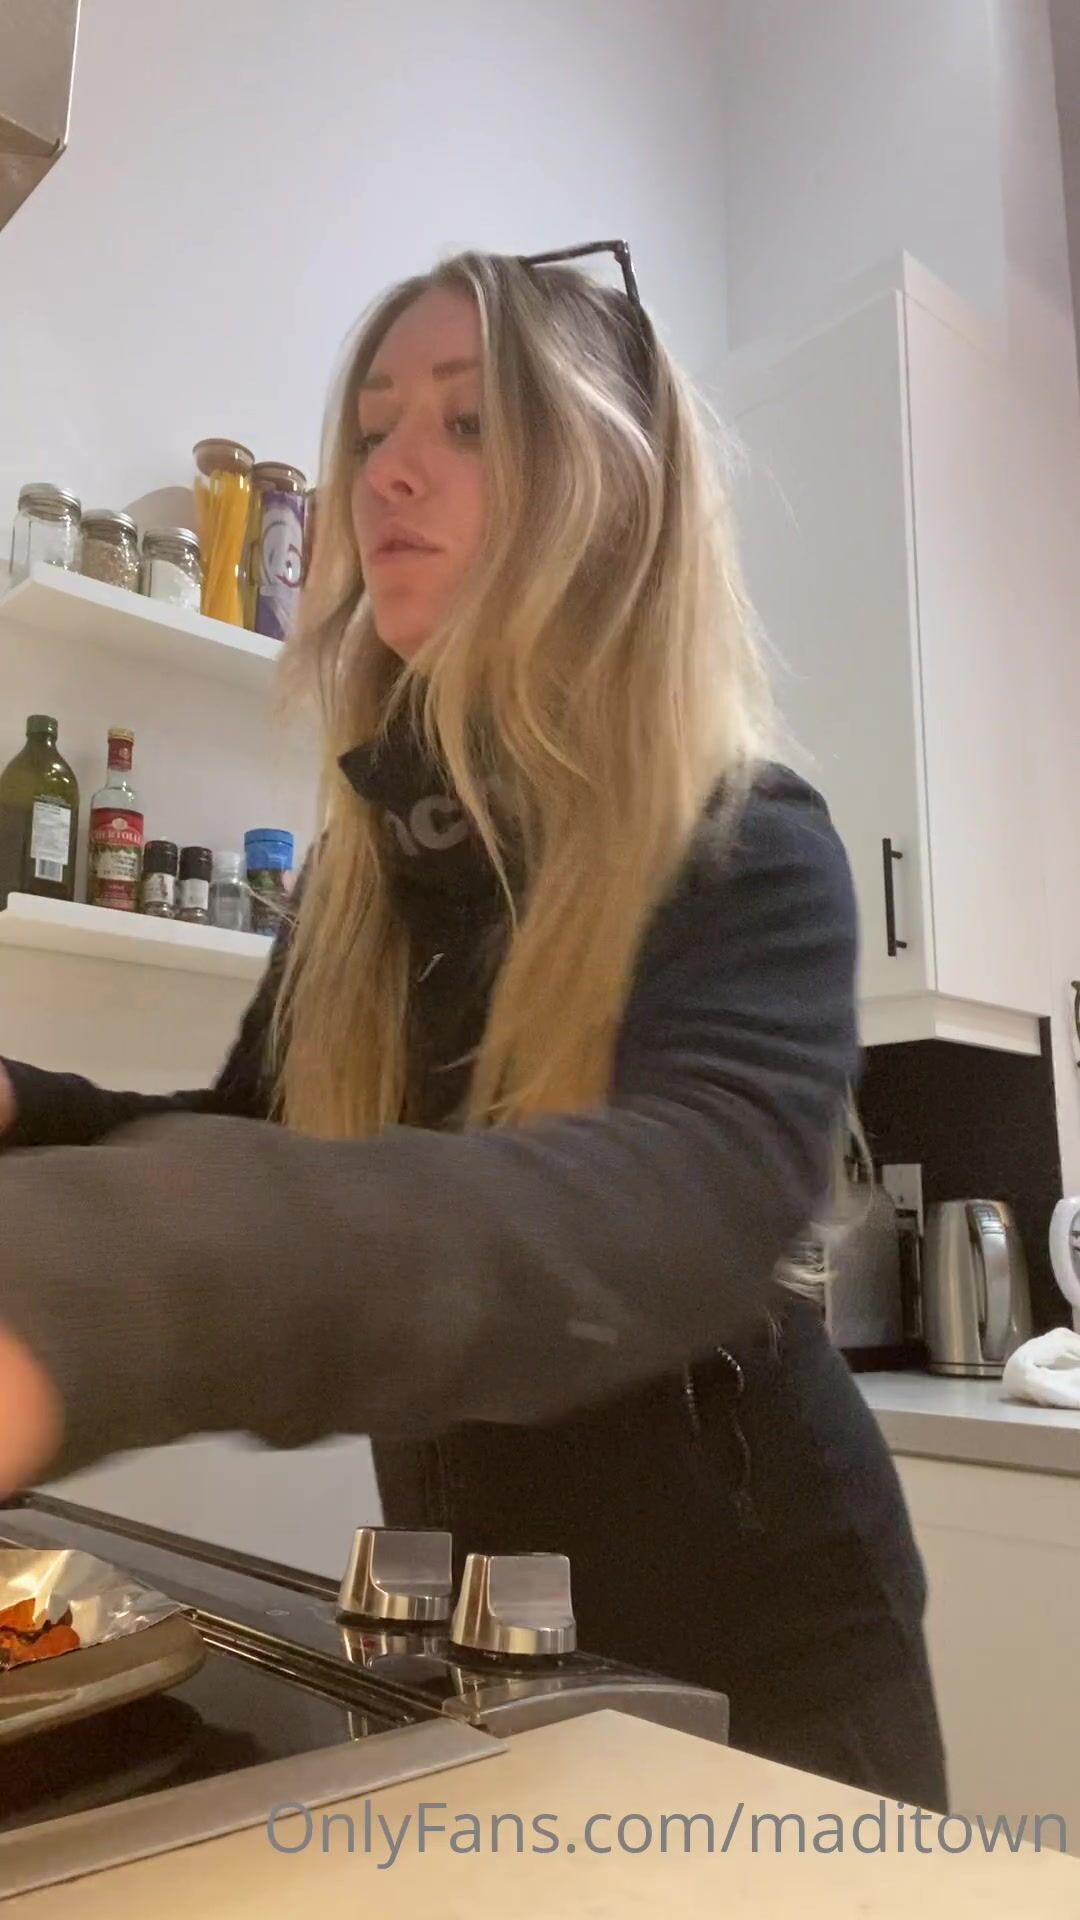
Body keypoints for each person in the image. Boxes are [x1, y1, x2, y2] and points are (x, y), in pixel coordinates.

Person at [0, 245, 947, 1809]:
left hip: (772, 1665)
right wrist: (24, 1109)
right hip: (487, 1645)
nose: (388, 472)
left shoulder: (749, 843)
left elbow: (671, 1205)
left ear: (612, 493)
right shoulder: (369, 882)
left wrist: (89, 1295)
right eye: (374, 429)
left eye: (467, 423)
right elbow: (253, 1144)